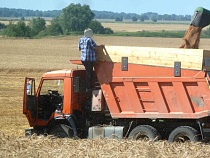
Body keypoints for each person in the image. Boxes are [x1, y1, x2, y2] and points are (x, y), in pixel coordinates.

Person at [78, 28, 104, 93]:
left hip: (83, 59)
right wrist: (101, 46)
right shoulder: (89, 39)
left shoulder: (81, 39)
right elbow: (95, 47)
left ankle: (88, 86)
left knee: (88, 72)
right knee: (90, 73)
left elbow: (79, 48)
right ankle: (89, 87)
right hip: (90, 59)